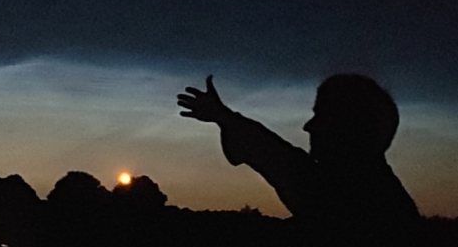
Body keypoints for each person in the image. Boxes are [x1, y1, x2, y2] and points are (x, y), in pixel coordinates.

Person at [177, 73, 419, 230]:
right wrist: (224, 117)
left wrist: (225, 118)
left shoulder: (363, 204)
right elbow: (283, 158)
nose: (308, 126)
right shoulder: (363, 187)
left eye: (322, 115)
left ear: (349, 127)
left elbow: (284, 162)